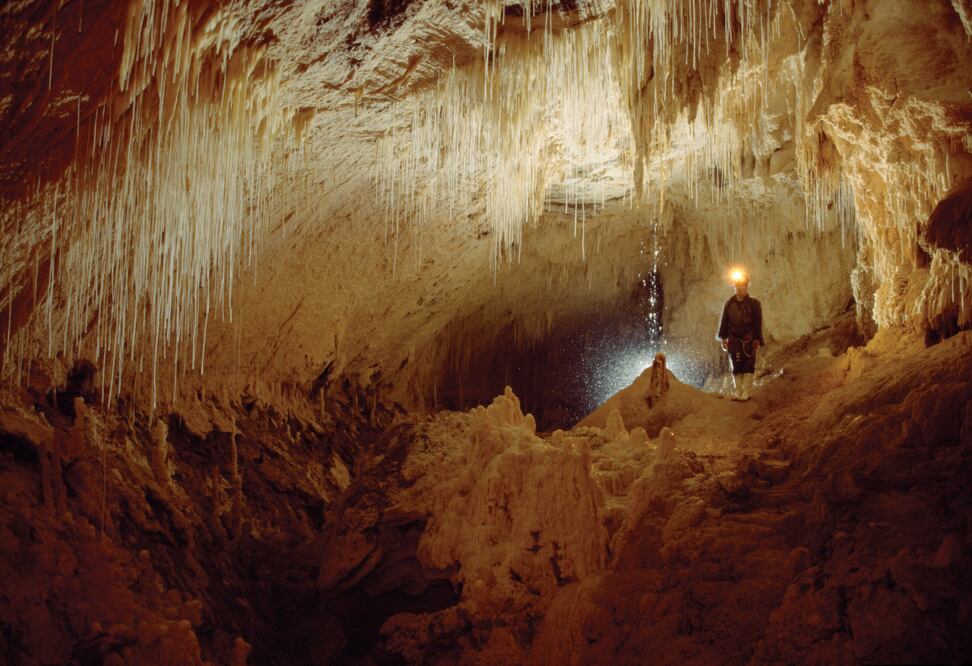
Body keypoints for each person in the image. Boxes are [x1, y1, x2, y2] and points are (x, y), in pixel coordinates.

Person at [717, 271, 764, 401]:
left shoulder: (754, 304)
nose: (739, 289)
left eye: (742, 287)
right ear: (734, 287)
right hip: (734, 338)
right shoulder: (729, 303)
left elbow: (757, 323)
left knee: (748, 364)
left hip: (748, 338)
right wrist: (723, 338)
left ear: (746, 287)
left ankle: (746, 392)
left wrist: (757, 339)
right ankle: (738, 391)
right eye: (737, 287)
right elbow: (724, 321)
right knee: (736, 365)